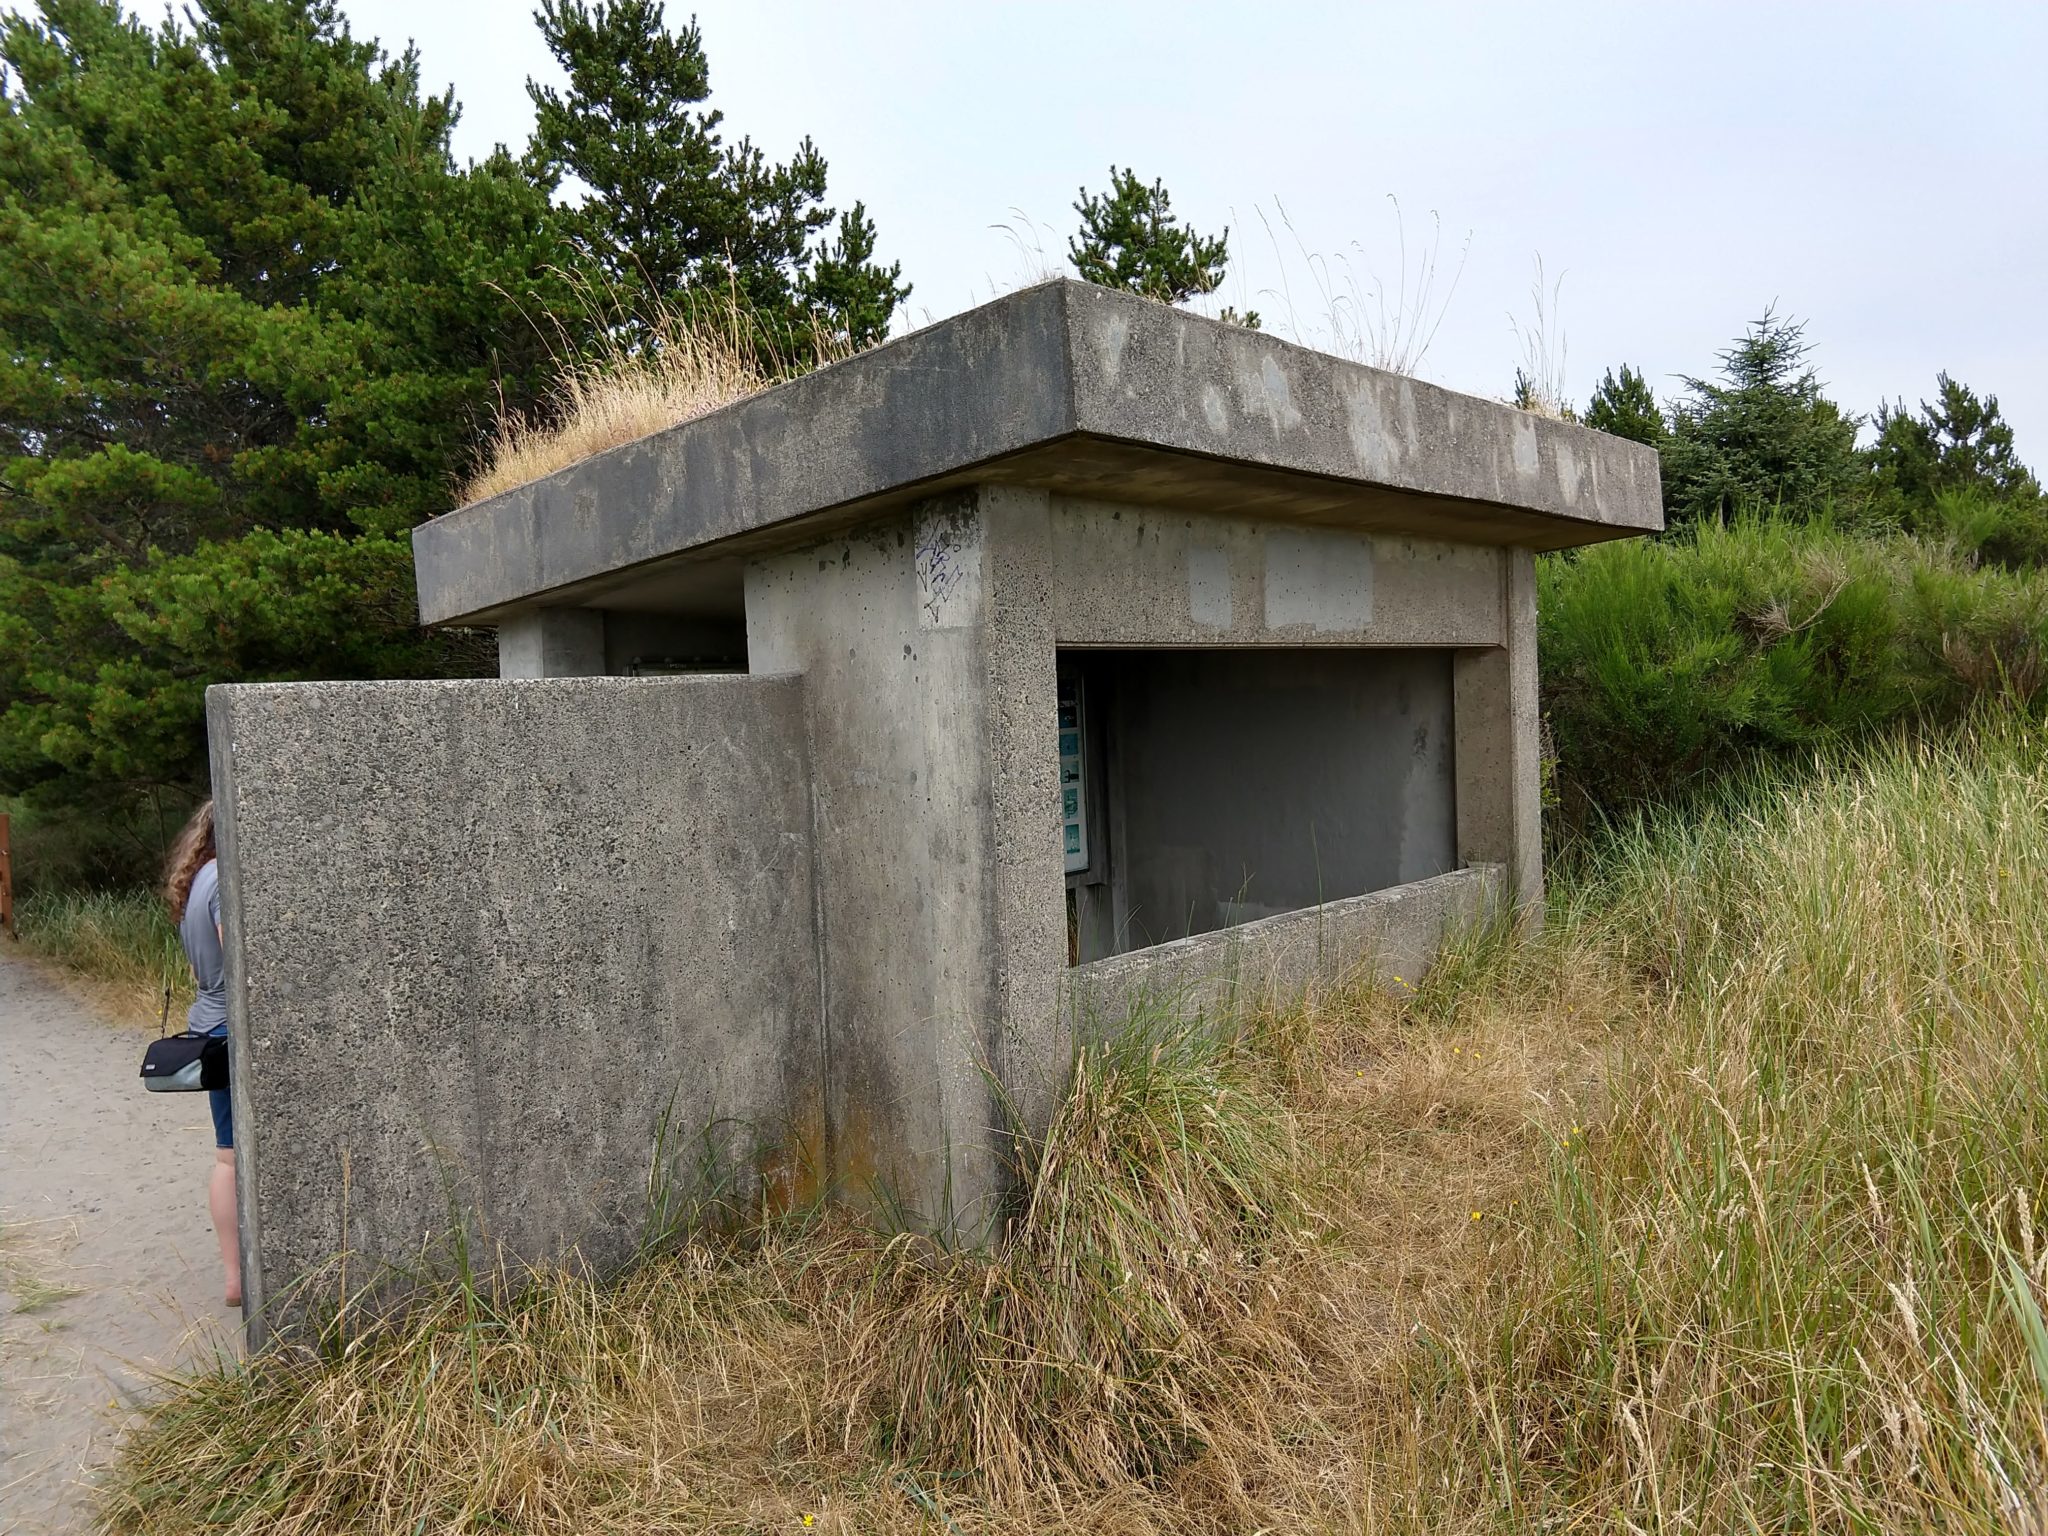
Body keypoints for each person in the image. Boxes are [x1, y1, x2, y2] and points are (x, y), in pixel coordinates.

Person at [164, 800, 239, 1307]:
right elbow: (233, 952)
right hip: (231, 1027)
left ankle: (235, 1272)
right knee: (232, 1157)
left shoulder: (196, 882)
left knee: (226, 1155)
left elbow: (198, 971)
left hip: (207, 1022)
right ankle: (238, 1278)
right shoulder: (223, 881)